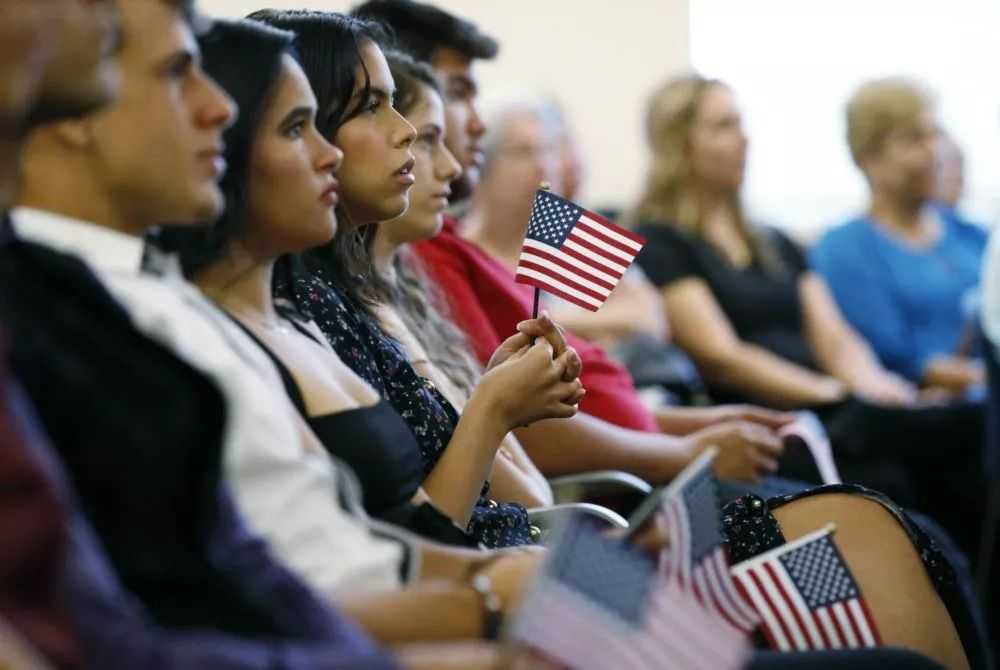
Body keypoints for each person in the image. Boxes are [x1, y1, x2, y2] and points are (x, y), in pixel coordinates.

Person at [3, 2, 555, 664]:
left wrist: (498, 584)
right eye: (178, 73)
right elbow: (163, 616)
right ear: (81, 116)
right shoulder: (70, 307)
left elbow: (282, 560)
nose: (216, 110)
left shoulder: (198, 295)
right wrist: (489, 608)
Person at [154, 11, 582, 550]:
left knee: (700, 549)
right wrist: (492, 410)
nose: (327, 154)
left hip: (506, 570)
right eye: (371, 107)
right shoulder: (226, 322)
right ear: (232, 150)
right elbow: (386, 558)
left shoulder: (317, 305)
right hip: (474, 597)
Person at [811, 79, 986, 395]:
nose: (934, 151)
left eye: (934, 134)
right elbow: (896, 360)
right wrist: (980, 377)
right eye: (913, 139)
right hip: (923, 414)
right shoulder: (845, 250)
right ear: (868, 157)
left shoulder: (971, 235)